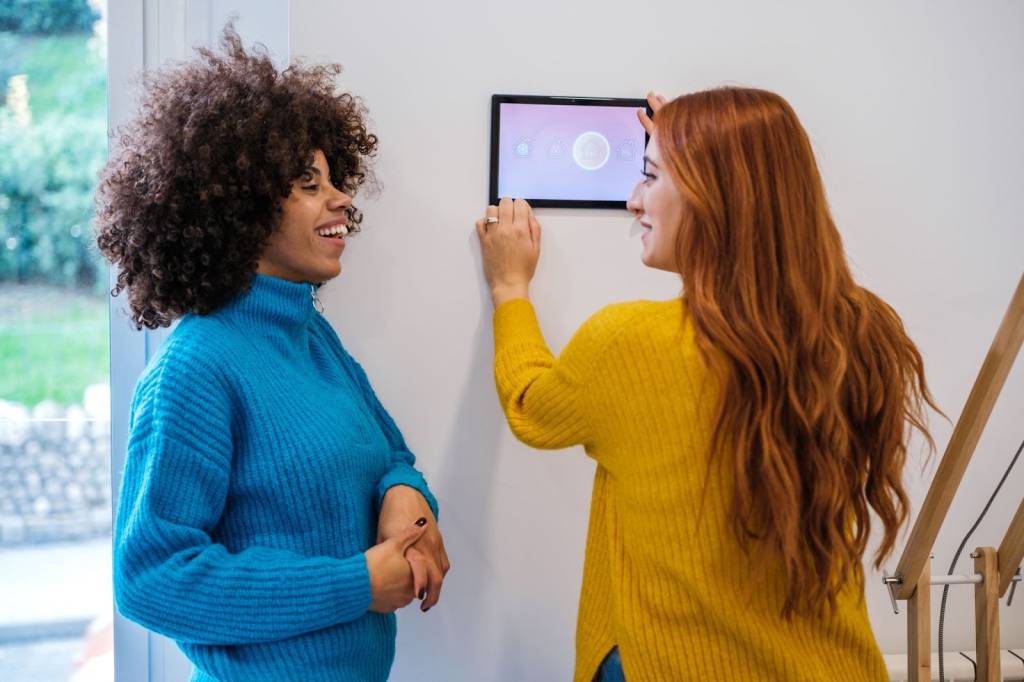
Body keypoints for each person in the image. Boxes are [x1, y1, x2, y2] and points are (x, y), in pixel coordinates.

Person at [475, 87, 938, 681]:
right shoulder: (862, 328)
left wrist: (509, 288)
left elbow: (530, 407)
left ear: (712, 195)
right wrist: (704, 143)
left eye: (650, 177)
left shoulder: (628, 343)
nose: (632, 200)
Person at [96, 28, 449, 682]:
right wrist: (355, 583)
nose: (342, 199)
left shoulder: (311, 336)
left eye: (335, 180)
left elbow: (392, 456)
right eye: (309, 184)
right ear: (243, 208)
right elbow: (151, 578)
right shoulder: (197, 367)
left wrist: (405, 495)